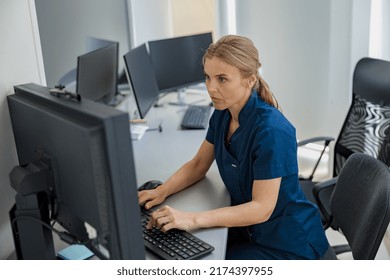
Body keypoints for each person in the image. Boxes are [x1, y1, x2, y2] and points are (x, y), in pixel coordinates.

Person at [138, 34, 329, 260]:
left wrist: (192, 218)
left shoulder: (272, 131)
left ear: (249, 79)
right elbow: (199, 164)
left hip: (287, 243)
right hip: (249, 230)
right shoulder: (223, 114)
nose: (211, 88)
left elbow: (261, 208)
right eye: (208, 77)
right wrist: (162, 191)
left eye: (222, 79)